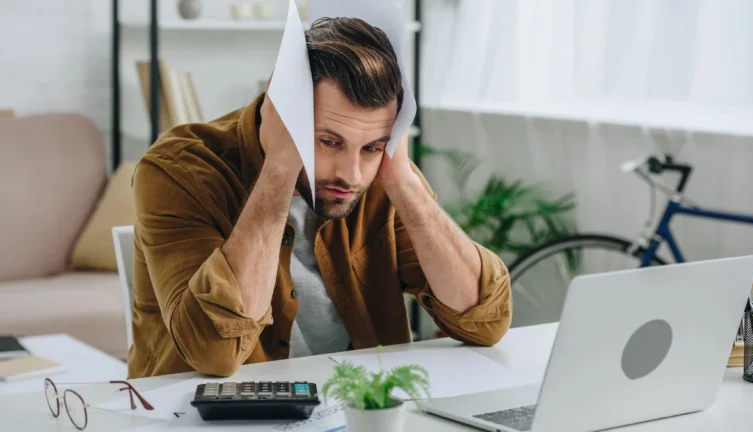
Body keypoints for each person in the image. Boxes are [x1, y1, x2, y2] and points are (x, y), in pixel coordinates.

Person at [127, 17, 512, 379]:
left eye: (372, 147)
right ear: (279, 111)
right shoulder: (179, 171)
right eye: (329, 141)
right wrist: (278, 171)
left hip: (354, 408)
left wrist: (404, 182)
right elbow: (215, 351)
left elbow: (485, 322)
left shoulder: (379, 177)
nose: (352, 174)